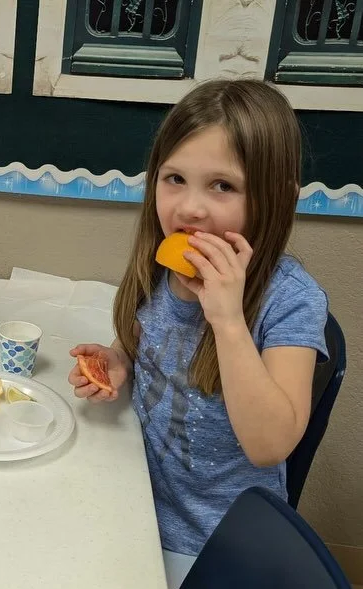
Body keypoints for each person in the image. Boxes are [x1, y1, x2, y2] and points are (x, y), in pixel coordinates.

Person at [66, 80, 328, 588]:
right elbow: (150, 340)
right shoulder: (162, 263)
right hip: (135, 494)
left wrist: (228, 320)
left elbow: (270, 444)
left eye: (223, 186)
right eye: (175, 179)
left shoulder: (291, 300)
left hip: (213, 543)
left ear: (275, 198)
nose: (189, 208)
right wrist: (122, 360)